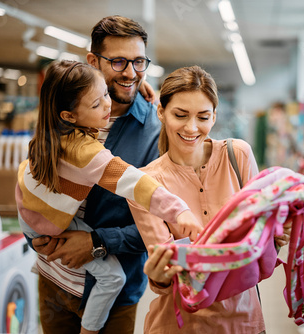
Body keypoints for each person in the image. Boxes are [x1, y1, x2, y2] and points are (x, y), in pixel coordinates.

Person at [17, 59, 202, 334]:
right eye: (96, 103)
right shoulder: (87, 152)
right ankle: (90, 330)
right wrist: (179, 210)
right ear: (69, 114)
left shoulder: (51, 128)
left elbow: (70, 80)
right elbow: (137, 183)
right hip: (48, 235)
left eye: (105, 93)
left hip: (31, 215)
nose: (107, 105)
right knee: (113, 277)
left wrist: (136, 88)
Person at [28, 16, 166, 334]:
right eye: (118, 61)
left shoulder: (154, 131)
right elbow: (35, 176)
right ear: (93, 60)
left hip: (114, 294)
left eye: (139, 61)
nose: (131, 73)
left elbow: (161, 224)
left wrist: (96, 243)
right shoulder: (64, 111)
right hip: (54, 281)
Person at [129, 65, 291, 334]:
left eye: (203, 116)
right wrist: (158, 276)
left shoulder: (237, 156)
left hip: (244, 322)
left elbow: (262, 252)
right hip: (179, 326)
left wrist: (274, 237)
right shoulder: (147, 183)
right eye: (180, 115)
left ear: (214, 116)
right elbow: (165, 278)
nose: (191, 127)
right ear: (161, 112)